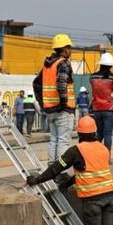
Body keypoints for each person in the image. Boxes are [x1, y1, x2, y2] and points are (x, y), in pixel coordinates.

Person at [33, 33, 76, 161]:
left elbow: (36, 84)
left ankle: (52, 168)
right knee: (63, 141)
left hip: (50, 110)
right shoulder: (63, 64)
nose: (71, 51)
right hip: (63, 110)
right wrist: (63, 104)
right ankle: (60, 172)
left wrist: (43, 104)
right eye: (69, 48)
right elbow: (62, 85)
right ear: (64, 49)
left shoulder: (47, 66)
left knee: (53, 140)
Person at [88, 52, 113, 149]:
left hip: (97, 109)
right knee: (107, 134)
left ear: (100, 64)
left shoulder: (92, 77)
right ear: (111, 66)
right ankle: (106, 157)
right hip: (110, 109)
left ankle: (97, 156)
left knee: (99, 134)